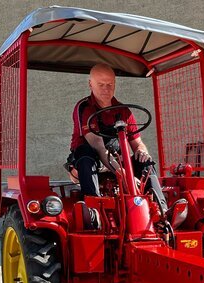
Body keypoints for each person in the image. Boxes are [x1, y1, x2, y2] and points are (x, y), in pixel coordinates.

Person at [68, 64, 165, 228]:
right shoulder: (84, 108)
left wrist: (141, 151)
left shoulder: (123, 111)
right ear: (90, 84)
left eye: (110, 84)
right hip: (93, 159)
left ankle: (161, 210)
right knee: (85, 155)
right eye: (101, 85)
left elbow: (137, 142)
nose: (106, 89)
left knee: (146, 161)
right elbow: (98, 146)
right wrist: (125, 175)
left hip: (119, 160)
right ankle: (94, 210)